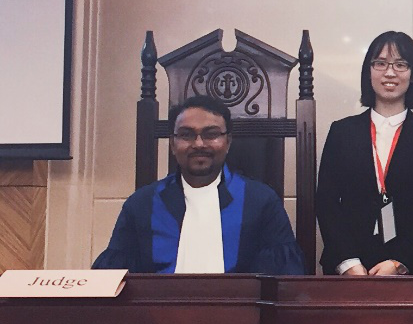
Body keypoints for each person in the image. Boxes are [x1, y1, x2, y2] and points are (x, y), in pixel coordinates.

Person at [94, 94, 303, 275]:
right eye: (186, 135)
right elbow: (112, 280)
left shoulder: (261, 202)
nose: (199, 144)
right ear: (172, 144)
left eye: (211, 134)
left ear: (228, 142)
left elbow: (284, 282)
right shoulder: (142, 204)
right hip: (160, 309)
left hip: (238, 308)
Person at [315, 31, 413, 276]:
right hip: (347, 268)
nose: (390, 72)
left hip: (405, 271)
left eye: (400, 64)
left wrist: (399, 262)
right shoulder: (342, 131)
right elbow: (327, 202)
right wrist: (347, 263)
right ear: (369, 71)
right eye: (381, 63)